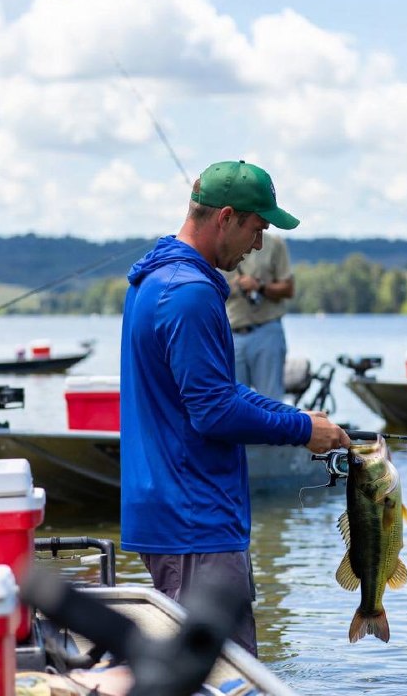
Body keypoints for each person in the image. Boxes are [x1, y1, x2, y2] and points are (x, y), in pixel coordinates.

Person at [119, 160, 350, 657]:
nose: (259, 245)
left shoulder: (155, 279)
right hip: (193, 519)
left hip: (169, 513)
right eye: (256, 227)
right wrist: (297, 431)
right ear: (226, 217)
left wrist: (302, 419)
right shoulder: (190, 294)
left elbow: (214, 391)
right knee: (229, 677)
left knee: (187, 674)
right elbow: (214, 413)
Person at [224, 234, 294, 402]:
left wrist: (259, 286)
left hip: (267, 331)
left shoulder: (275, 243)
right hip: (231, 334)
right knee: (233, 401)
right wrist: (234, 287)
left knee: (272, 401)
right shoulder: (220, 243)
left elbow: (288, 289)